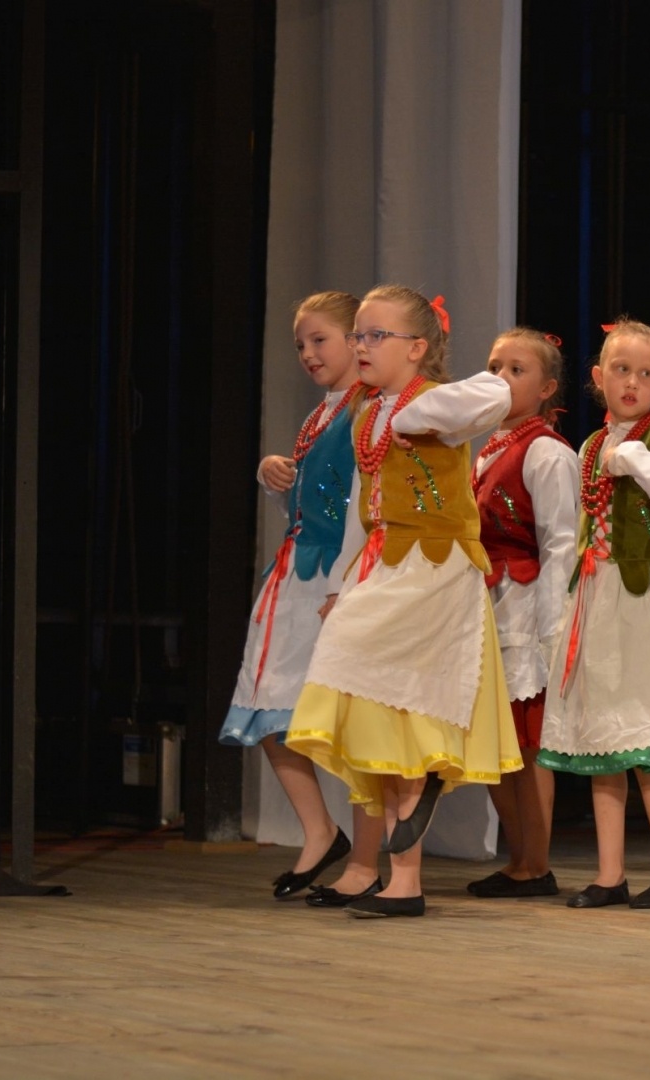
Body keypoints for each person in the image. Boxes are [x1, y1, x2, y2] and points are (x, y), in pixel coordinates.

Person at [288, 285, 521, 918]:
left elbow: (497, 393)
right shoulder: (368, 416)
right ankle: (401, 876)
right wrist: (341, 586)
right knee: (367, 698)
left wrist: (417, 414)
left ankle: (403, 876)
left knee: (406, 711)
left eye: (374, 336)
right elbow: (362, 516)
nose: (360, 347)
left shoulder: (430, 404)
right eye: (357, 335)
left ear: (417, 348)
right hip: (385, 567)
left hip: (437, 570)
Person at [537, 317, 650, 910]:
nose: (632, 382)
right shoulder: (589, 447)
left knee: (644, 736)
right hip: (597, 602)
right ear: (598, 377)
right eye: (621, 370)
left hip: (646, 606)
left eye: (645, 373)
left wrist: (635, 459)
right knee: (602, 742)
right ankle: (609, 872)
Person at [218, 290, 372, 901]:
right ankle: (318, 831)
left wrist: (345, 583)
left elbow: (362, 507)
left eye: (321, 340)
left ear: (356, 341)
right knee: (271, 710)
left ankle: (365, 853)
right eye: (301, 345)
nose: (309, 354)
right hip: (294, 575)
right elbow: (311, 501)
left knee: (348, 716)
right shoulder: (320, 415)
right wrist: (273, 475)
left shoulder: (366, 411)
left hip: (331, 579)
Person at [465, 329, 579, 899]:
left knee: (529, 745)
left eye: (516, 370)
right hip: (489, 606)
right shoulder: (485, 446)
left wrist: (552, 626)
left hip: (527, 609)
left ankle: (535, 863)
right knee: (499, 743)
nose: (500, 378)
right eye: (493, 367)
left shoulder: (547, 452)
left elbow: (561, 543)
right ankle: (519, 860)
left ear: (546, 388)